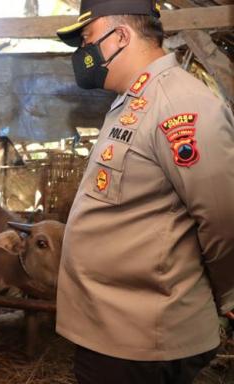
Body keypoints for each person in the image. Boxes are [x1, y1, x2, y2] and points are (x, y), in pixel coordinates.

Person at [55, 0, 234, 383]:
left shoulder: (180, 105)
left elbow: (222, 216)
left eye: (87, 39)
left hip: (143, 339)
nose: (82, 53)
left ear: (120, 36)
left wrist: (229, 293)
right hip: (113, 330)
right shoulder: (135, 101)